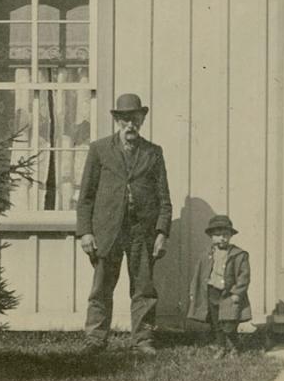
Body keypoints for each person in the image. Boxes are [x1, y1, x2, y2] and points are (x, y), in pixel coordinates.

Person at [75, 92, 173, 354]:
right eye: (125, 120)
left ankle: (142, 339)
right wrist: (85, 232)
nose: (130, 125)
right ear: (117, 121)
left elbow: (164, 198)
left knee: (143, 288)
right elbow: (85, 196)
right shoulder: (99, 149)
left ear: (141, 120)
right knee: (101, 287)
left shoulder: (153, 153)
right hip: (108, 231)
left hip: (142, 232)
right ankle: (95, 339)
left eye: (135, 119)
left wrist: (162, 231)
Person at [187, 214, 252, 355]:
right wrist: (193, 291)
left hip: (228, 294)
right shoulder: (207, 255)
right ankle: (221, 347)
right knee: (216, 323)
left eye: (226, 234)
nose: (222, 238)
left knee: (229, 323)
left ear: (230, 236)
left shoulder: (238, 255)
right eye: (218, 235)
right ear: (211, 236)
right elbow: (198, 275)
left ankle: (235, 347)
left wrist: (237, 293)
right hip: (212, 292)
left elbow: (244, 276)